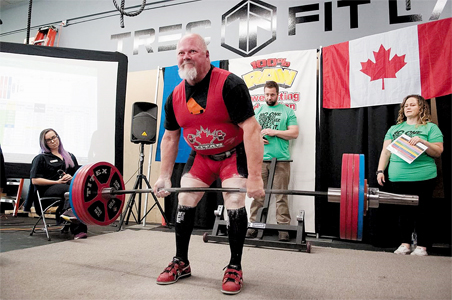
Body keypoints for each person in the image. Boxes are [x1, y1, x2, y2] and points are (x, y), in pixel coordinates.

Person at [153, 33, 264, 295]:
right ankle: (181, 261)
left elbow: (252, 130)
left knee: (235, 202)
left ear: (206, 55)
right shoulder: (175, 97)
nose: (186, 56)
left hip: (233, 156)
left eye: (192, 51)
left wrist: (256, 177)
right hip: (201, 158)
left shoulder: (230, 85)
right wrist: (164, 176)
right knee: (185, 200)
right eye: (181, 53)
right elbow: (170, 137)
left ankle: (234, 266)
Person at [376, 95, 443, 256]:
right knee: (402, 212)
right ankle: (405, 243)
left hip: (423, 177)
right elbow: (386, 151)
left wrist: (423, 142)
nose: (408, 107)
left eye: (412, 105)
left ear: (421, 108)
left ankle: (422, 246)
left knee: (423, 212)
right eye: (406, 105)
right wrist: (380, 170)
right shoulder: (394, 129)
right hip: (398, 177)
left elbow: (438, 151)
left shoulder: (430, 128)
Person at [246, 81, 299, 241]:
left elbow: (294, 133)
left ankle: (283, 228)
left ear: (278, 94)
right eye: (267, 94)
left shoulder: (287, 111)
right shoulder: (258, 111)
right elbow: (250, 133)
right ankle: (253, 226)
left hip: (281, 160)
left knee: (280, 195)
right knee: (258, 195)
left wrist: (274, 132)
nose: (269, 97)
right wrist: (259, 137)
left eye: (272, 94)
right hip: (260, 160)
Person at [30, 128, 88, 239]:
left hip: (67, 188)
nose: (53, 141)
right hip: (48, 190)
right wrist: (57, 181)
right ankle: (74, 225)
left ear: (58, 137)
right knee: (70, 191)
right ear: (44, 143)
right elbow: (35, 180)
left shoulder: (70, 157)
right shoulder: (41, 158)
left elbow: (77, 176)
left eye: (54, 137)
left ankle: (68, 214)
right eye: (48, 140)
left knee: (77, 191)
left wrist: (71, 177)